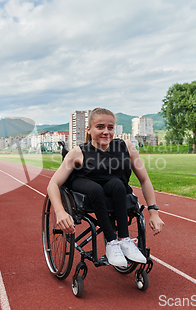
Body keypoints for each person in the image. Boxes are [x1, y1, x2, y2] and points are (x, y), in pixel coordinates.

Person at [47, 108, 164, 267]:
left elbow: (144, 180)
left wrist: (153, 212)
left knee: (118, 184)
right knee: (96, 189)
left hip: (111, 189)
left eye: (110, 127)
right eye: (100, 127)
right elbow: (53, 184)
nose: (106, 132)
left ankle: (124, 239)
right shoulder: (78, 153)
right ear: (89, 129)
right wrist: (60, 211)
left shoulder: (127, 147)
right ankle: (111, 243)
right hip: (84, 184)